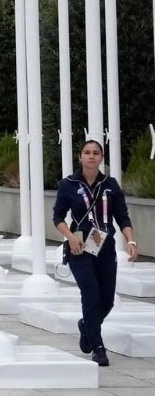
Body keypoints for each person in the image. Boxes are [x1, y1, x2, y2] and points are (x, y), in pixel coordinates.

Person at [53, 138, 139, 367]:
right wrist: (70, 237)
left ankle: (86, 326)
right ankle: (98, 346)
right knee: (90, 294)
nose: (91, 156)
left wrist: (131, 240)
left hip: (106, 249)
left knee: (107, 301)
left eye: (96, 153)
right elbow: (58, 217)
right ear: (80, 157)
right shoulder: (68, 184)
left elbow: (122, 217)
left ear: (101, 158)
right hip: (79, 248)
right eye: (87, 152)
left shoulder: (110, 185)